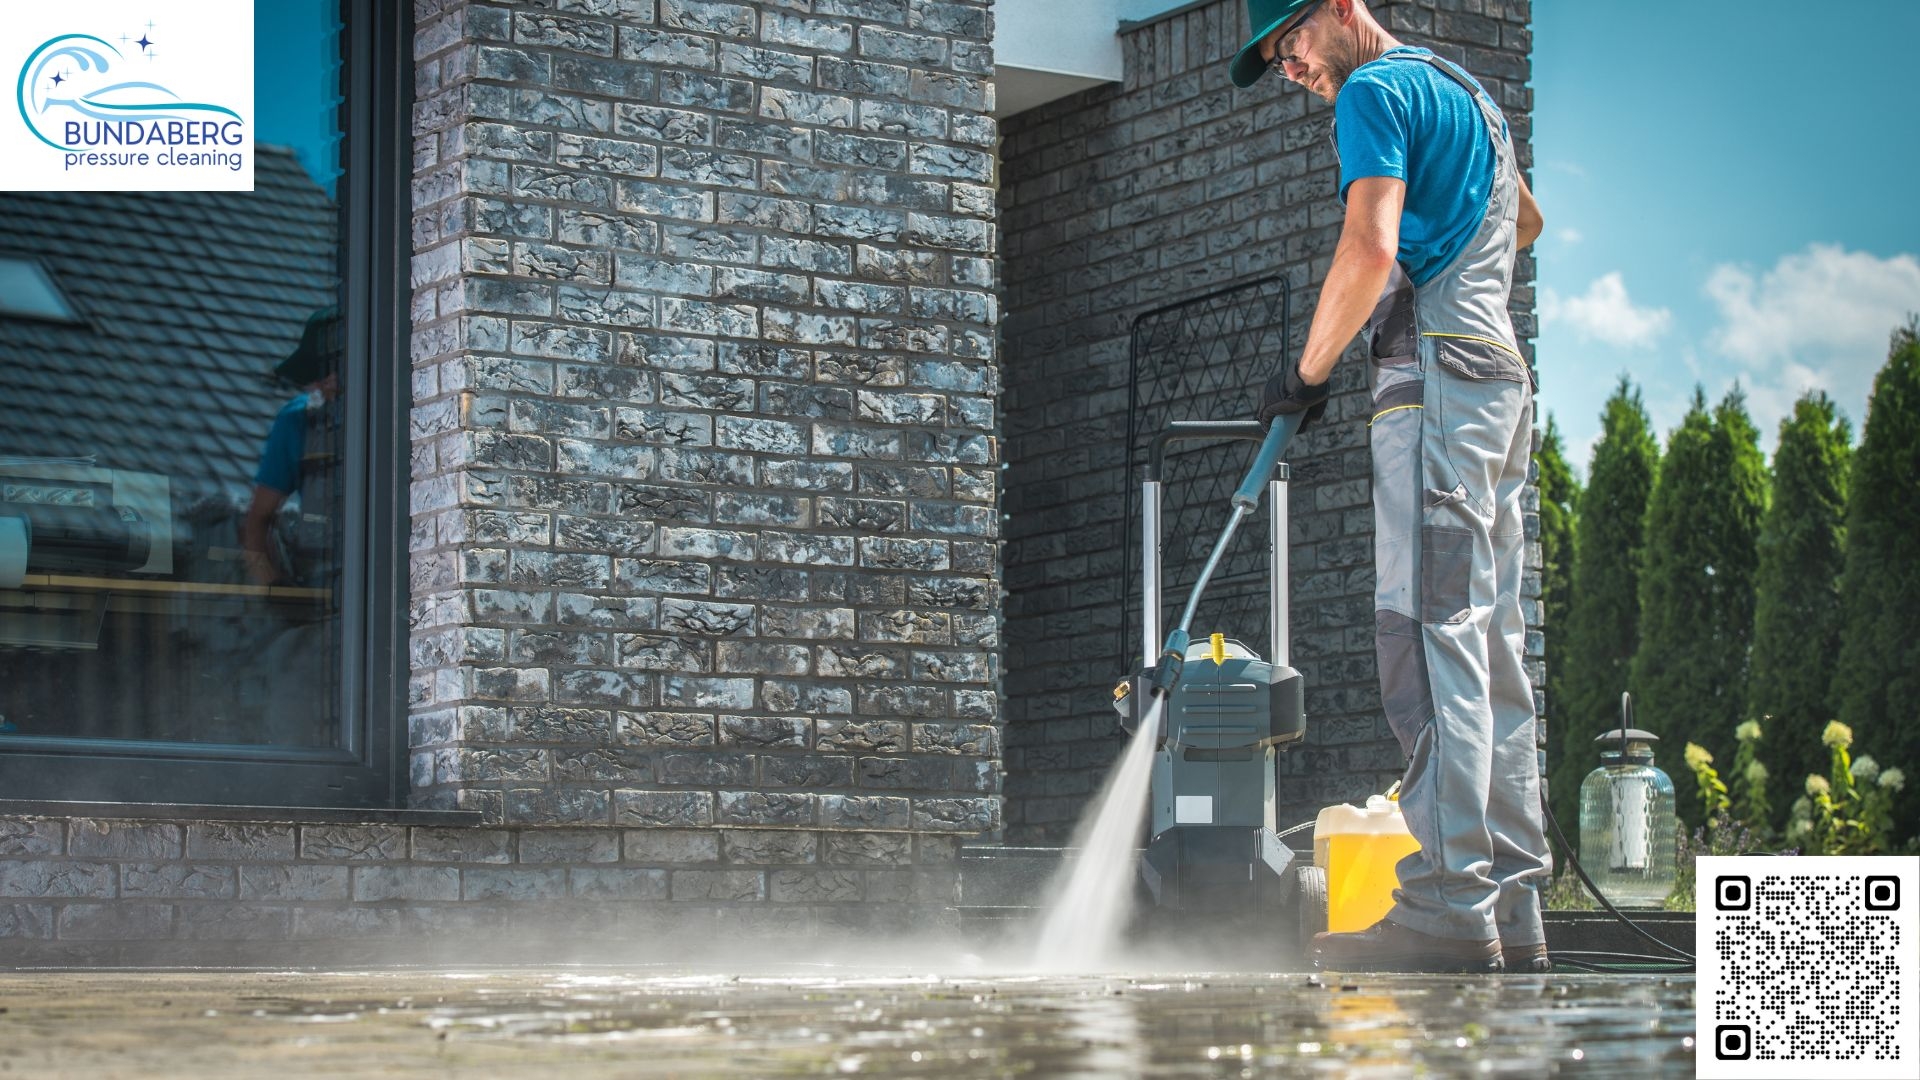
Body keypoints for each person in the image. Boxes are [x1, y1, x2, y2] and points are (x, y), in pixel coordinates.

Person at [1231, 0, 1550, 973]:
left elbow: (1369, 249)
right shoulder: (1468, 95)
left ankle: (1450, 903)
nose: (1290, 68)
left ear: (1336, 9)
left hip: (1439, 383)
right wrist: (1451, 257)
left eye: (1290, 43)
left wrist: (1309, 371)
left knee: (1427, 628)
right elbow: (1525, 221)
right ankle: (1512, 901)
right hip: (1496, 374)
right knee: (1489, 639)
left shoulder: (1372, 90)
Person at [243, 308, 341, 587]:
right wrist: (273, 588)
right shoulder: (297, 421)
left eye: (334, 369)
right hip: (320, 592)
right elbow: (256, 523)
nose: (327, 382)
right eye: (319, 372)